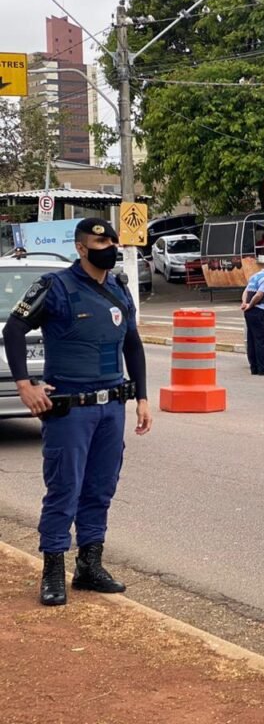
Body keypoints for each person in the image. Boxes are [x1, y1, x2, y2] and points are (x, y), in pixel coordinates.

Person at [2, 218, 153, 607]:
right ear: (81, 248)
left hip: (111, 407)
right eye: (101, 243)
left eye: (113, 242)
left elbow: (132, 344)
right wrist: (25, 385)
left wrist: (142, 397)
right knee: (64, 489)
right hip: (70, 409)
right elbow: (13, 330)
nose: (110, 248)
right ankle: (53, 570)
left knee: (100, 487)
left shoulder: (119, 287)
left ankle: (89, 565)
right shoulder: (55, 286)